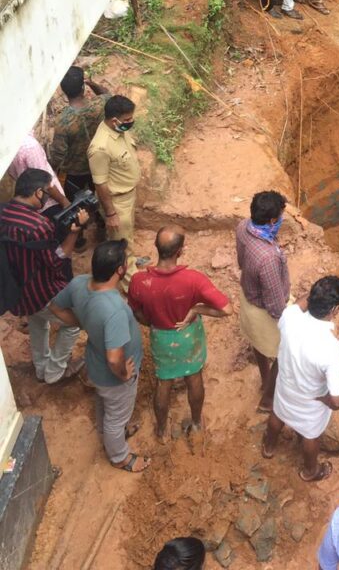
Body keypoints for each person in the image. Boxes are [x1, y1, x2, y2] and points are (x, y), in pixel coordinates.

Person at [50, 240, 149, 472]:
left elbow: (55, 306)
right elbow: (115, 358)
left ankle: (110, 433)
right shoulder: (113, 309)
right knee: (116, 413)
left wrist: (82, 323)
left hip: (95, 362)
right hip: (113, 375)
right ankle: (120, 457)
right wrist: (124, 374)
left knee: (105, 404)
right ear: (120, 270)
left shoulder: (79, 283)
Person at [128, 229, 232, 438]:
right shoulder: (194, 279)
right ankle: (195, 423)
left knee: (163, 382)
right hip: (187, 335)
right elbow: (227, 309)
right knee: (194, 378)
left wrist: (152, 323)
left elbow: (136, 311)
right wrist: (196, 309)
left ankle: (161, 430)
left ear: (157, 248)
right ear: (180, 251)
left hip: (161, 337)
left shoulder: (139, 281)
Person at [0, 169, 86, 383]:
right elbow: (57, 260)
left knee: (39, 324)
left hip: (16, 290)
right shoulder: (38, 225)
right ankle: (54, 372)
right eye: (47, 192)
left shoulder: (3, 212)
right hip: (42, 291)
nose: (48, 196)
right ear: (38, 192)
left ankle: (41, 367)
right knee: (74, 323)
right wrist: (74, 232)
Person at [262, 275, 339, 482]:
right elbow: (337, 401)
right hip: (310, 403)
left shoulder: (290, 317)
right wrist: (323, 400)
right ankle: (310, 471)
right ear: (334, 310)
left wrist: (316, 295)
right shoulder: (331, 347)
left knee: (278, 415)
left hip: (285, 389)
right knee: (310, 436)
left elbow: (300, 302)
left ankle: (269, 447)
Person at [236, 190, 289, 412]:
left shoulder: (243, 226)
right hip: (263, 309)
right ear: (272, 220)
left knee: (257, 342)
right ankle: (268, 400)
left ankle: (265, 380)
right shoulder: (268, 257)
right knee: (284, 351)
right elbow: (275, 304)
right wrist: (288, 319)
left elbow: (240, 261)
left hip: (248, 297)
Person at [49, 66, 111, 251]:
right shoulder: (100, 104)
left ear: (62, 90)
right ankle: (102, 228)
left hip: (75, 170)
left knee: (74, 203)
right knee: (100, 194)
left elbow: (59, 153)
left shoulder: (63, 121)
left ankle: (79, 239)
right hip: (98, 162)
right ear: (83, 87)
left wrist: (52, 168)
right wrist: (91, 83)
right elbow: (108, 94)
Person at [87, 95, 142, 289]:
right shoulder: (100, 148)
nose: (130, 123)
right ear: (114, 120)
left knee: (126, 236)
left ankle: (132, 262)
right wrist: (110, 213)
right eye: (127, 120)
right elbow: (100, 184)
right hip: (117, 203)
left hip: (128, 196)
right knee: (121, 246)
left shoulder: (118, 130)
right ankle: (132, 286)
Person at [7, 133, 68, 211]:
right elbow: (47, 183)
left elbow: (13, 174)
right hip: (49, 203)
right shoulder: (30, 146)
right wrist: (64, 201)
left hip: (31, 204)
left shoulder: (8, 145)